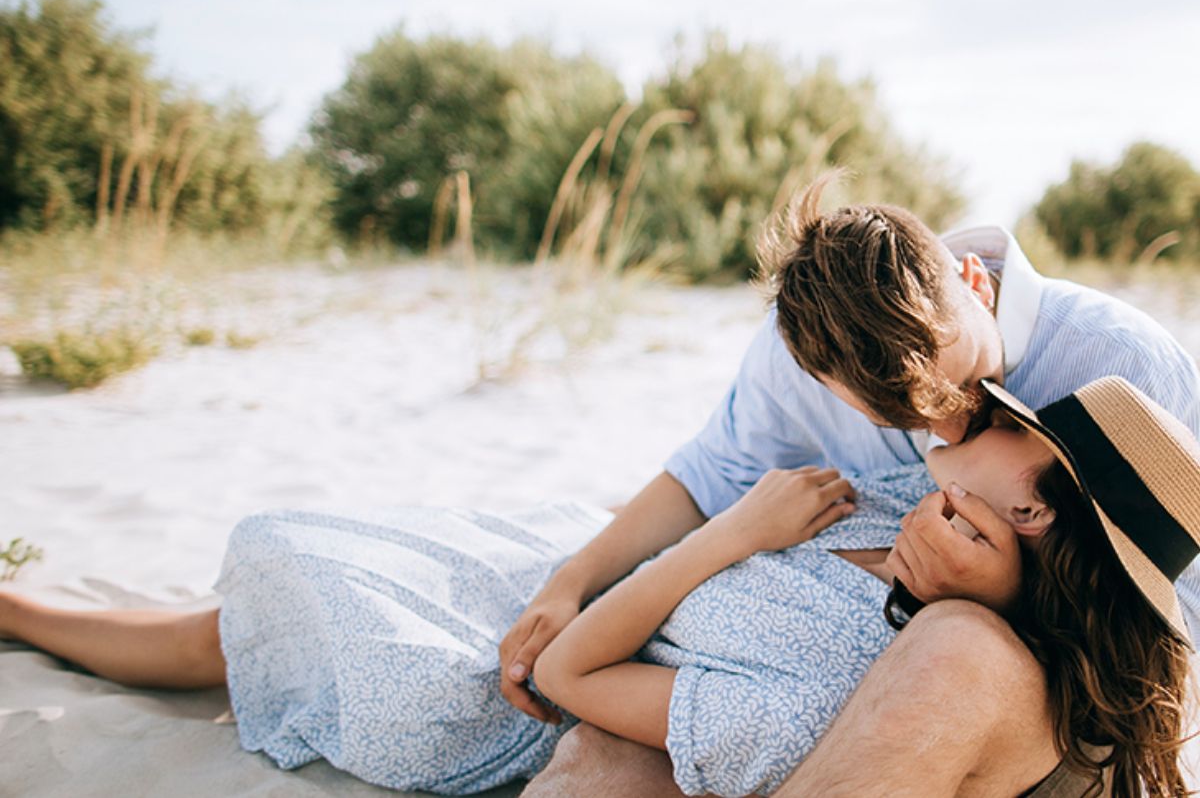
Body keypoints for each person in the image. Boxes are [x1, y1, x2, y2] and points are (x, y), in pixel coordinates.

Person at [0, 377, 1194, 798]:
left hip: (546, 661)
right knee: (262, 605)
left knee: (297, 614)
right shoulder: (896, 503)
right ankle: (22, 607)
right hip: (593, 570)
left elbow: (566, 680)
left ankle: (19, 610)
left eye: (1003, 424)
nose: (974, 414)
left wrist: (730, 533)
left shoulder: (825, 693)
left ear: (1029, 514)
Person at [514, 174, 1200, 796]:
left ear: (973, 280)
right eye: (905, 418)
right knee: (602, 761)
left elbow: (1166, 640)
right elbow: (710, 477)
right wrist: (571, 582)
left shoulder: (1118, 364)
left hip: (1061, 700)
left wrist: (1005, 596)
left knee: (954, 649)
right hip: (806, 674)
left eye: (970, 390)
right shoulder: (802, 355)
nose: (948, 429)